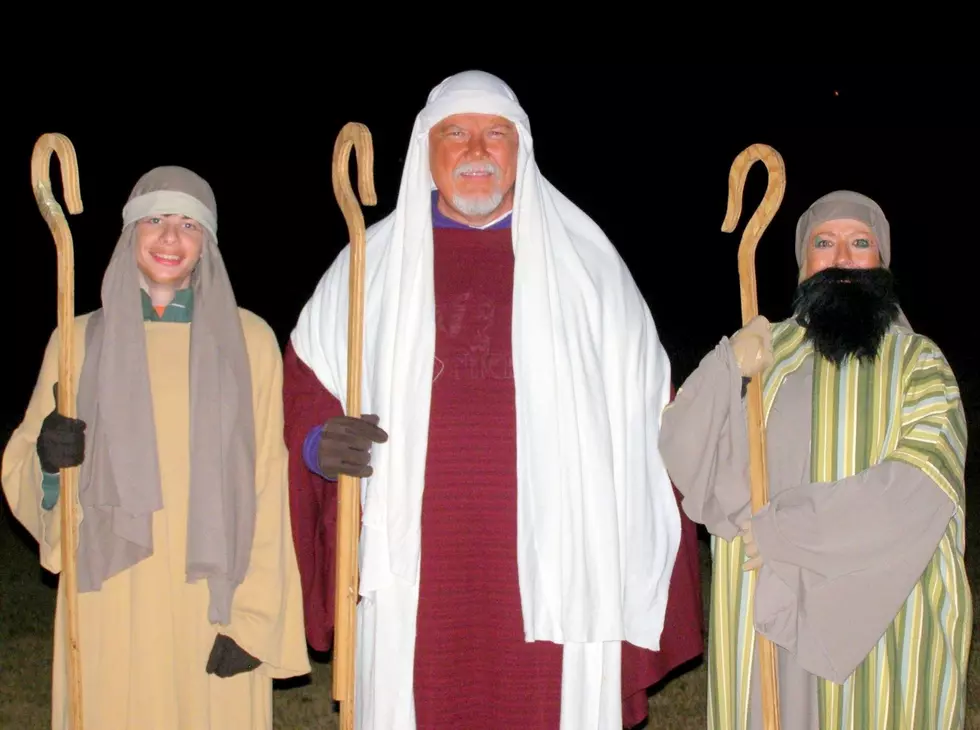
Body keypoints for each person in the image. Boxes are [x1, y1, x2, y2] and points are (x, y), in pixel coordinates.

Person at [283, 70, 705, 729]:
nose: (476, 151)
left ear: (521, 149)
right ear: (426, 147)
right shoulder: (372, 263)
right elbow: (309, 382)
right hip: (414, 555)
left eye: (495, 135)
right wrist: (318, 442)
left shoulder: (585, 264)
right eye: (456, 133)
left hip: (560, 550)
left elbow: (647, 408)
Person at [2, 166, 311, 729]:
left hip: (212, 598)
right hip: (111, 596)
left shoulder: (251, 341)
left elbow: (270, 482)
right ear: (129, 235)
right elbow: (25, 465)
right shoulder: (75, 342)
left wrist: (255, 617)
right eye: (155, 220)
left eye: (189, 224)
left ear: (207, 244)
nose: (171, 237)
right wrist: (49, 465)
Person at [659, 190, 970, 729]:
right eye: (824, 243)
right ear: (803, 265)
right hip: (767, 610)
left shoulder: (920, 363)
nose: (842, 256)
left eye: (860, 243)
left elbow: (924, 482)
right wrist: (726, 365)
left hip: (879, 614)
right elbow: (683, 448)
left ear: (883, 262)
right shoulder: (766, 355)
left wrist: (791, 529)